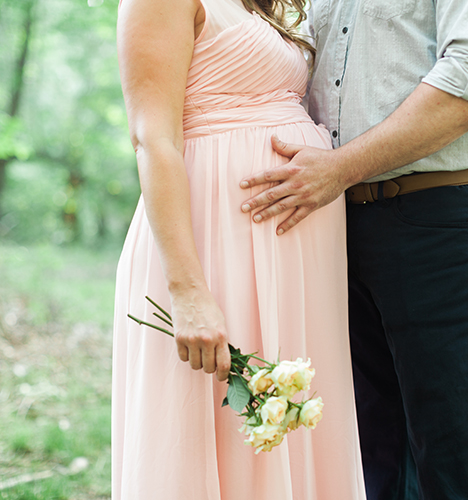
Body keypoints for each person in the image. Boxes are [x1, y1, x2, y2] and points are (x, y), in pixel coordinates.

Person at [238, 1, 468, 498]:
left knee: (454, 457)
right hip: (337, 226)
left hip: (442, 219)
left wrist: (339, 168)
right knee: (373, 459)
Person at [111, 0, 366, 498]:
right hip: (212, 244)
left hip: (289, 260)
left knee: (287, 419)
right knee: (217, 422)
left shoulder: (257, 4)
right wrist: (186, 289)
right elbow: (153, 139)